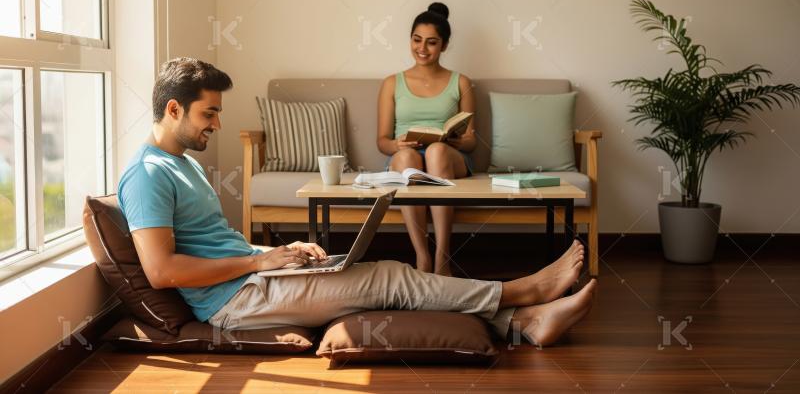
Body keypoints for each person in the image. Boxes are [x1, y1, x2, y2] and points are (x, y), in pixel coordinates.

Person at [119, 57, 596, 347]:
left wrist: (276, 255)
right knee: (391, 277)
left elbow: (214, 244)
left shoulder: (186, 164)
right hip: (234, 302)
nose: (217, 125)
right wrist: (256, 264)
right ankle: (520, 293)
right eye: (210, 114)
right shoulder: (147, 175)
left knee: (382, 280)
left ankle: (524, 324)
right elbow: (164, 272)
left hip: (254, 278)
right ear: (174, 109)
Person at [377, 2, 475, 276]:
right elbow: (382, 141)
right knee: (407, 158)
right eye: (417, 40)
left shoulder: (462, 82)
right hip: (405, 157)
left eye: (432, 43)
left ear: (444, 46)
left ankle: (443, 258)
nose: (422, 48)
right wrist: (396, 145)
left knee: (436, 152)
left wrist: (454, 141)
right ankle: (422, 258)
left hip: (448, 157)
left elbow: (472, 141)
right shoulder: (391, 83)